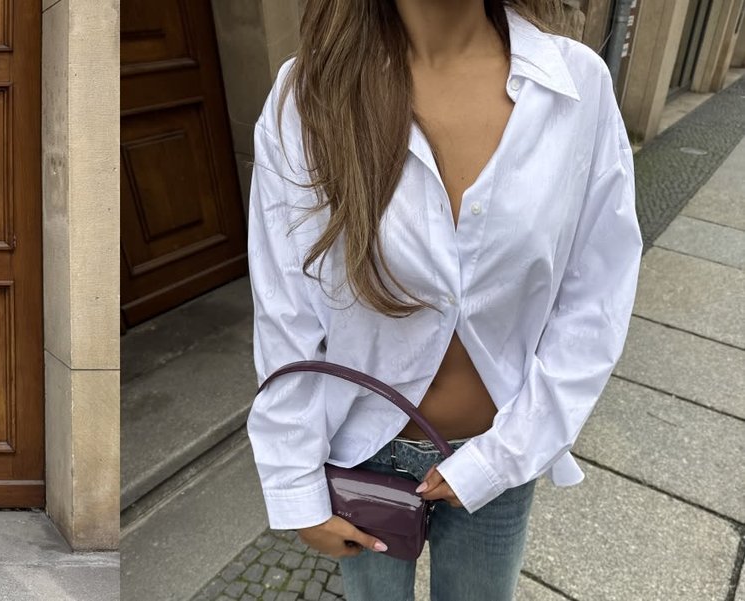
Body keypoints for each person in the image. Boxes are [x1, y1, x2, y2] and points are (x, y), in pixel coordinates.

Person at [245, 1, 642, 599]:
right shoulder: (309, 96)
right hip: (361, 455)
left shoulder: (576, 88)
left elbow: (597, 297)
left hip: (499, 448)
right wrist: (294, 484)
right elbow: (285, 309)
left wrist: (506, 456)